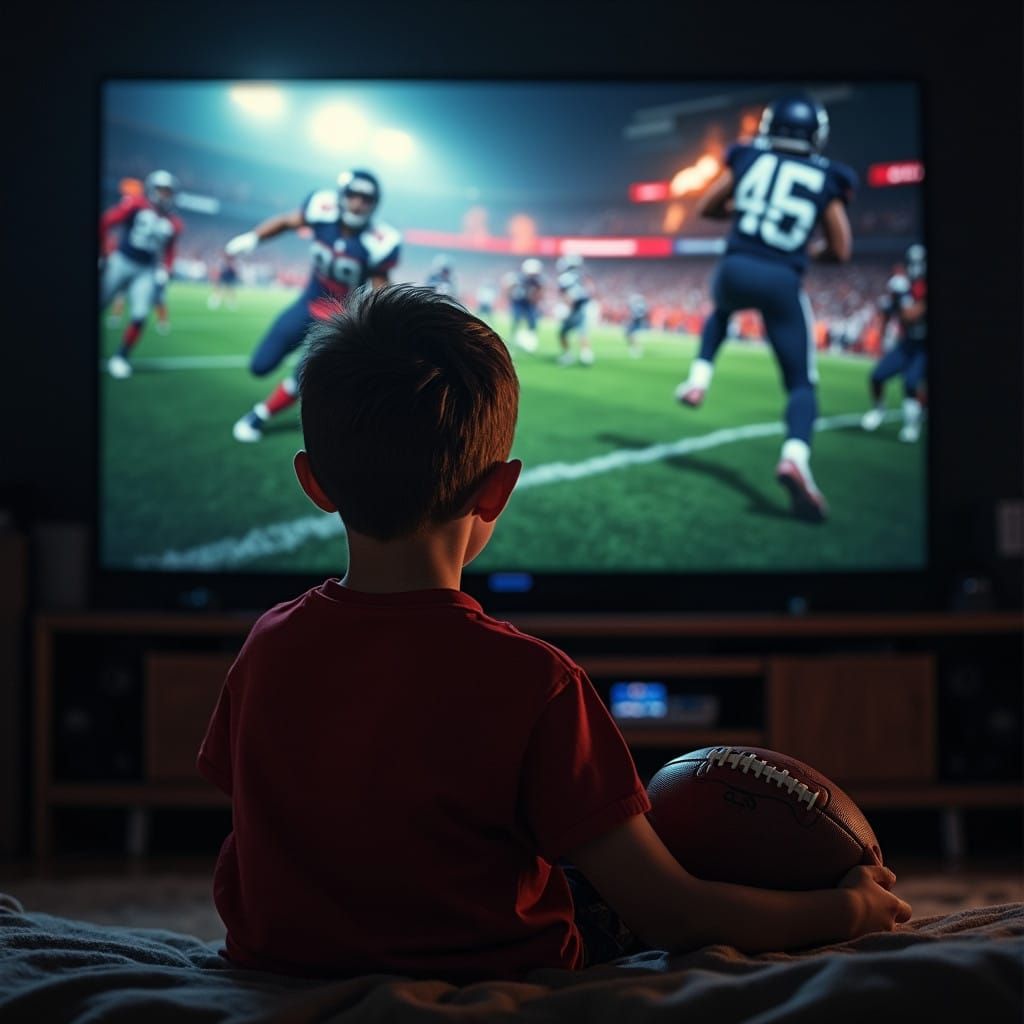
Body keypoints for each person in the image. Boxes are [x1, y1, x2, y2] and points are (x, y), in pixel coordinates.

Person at [197, 283, 910, 984]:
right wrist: (844, 911)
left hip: (286, 965)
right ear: (498, 489)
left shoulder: (268, 645)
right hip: (496, 972)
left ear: (313, 483)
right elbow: (672, 912)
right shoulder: (534, 681)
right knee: (672, 855)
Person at [674, 95, 857, 522]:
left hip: (735, 268)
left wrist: (746, 209)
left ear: (770, 126)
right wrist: (808, 252)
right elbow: (842, 248)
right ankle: (795, 456)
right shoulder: (828, 175)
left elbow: (707, 206)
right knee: (801, 384)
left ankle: (698, 378)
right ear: (817, 133)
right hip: (780, 277)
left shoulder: (748, 155)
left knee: (721, 311)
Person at [224, 168, 400, 442]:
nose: (358, 203)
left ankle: (259, 415)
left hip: (339, 317)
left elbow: (381, 285)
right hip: (308, 302)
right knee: (260, 365)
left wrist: (383, 323)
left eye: (366, 199)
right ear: (343, 195)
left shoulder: (380, 241)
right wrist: (255, 237)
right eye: (354, 195)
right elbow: (286, 221)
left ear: (375, 204)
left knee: (304, 376)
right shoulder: (322, 208)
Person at [99, 170, 183, 378]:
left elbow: (170, 251)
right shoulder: (136, 205)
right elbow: (107, 221)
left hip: (146, 269)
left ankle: (121, 356)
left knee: (140, 314)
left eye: (168, 191)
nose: (164, 195)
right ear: (152, 189)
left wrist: (167, 269)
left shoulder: (174, 223)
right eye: (161, 190)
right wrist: (103, 253)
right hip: (121, 260)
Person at [860, 244, 927, 443]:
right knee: (877, 376)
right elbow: (888, 312)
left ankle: (911, 425)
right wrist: (882, 338)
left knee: (911, 383)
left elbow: (911, 315)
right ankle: (878, 411)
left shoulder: (912, 288)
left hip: (924, 346)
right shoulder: (903, 286)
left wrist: (905, 297)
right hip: (907, 343)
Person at [555, 253, 596, 365]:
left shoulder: (564, 277)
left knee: (562, 333)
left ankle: (567, 355)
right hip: (584, 307)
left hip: (573, 308)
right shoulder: (583, 276)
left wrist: (567, 308)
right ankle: (586, 355)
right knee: (583, 332)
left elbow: (566, 295)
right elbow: (591, 291)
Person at [505, 257, 544, 352]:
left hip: (529, 303)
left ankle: (531, 343)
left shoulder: (537, 280)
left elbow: (540, 291)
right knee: (516, 321)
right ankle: (512, 342)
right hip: (518, 302)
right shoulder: (518, 277)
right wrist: (511, 297)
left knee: (532, 322)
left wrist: (535, 299)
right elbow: (509, 288)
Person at [624, 292, 649, 357]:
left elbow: (640, 315)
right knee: (629, 335)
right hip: (636, 322)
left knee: (632, 336)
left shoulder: (640, 305)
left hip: (637, 322)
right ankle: (635, 348)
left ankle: (636, 349)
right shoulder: (641, 305)